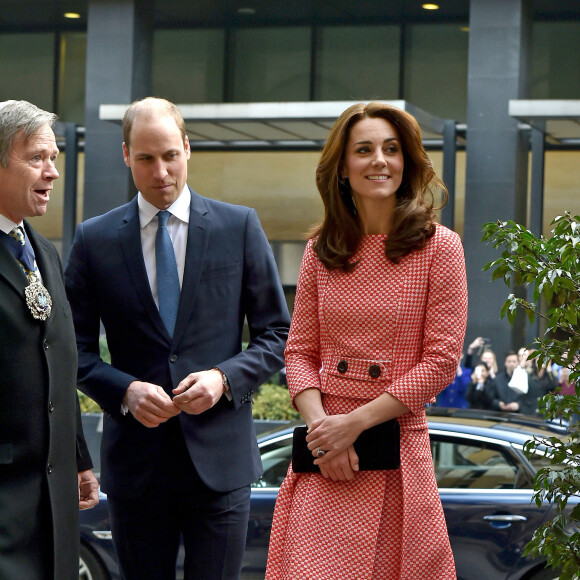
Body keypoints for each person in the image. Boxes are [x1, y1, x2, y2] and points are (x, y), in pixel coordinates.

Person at [64, 97, 290, 580]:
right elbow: (70, 351)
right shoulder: (94, 239)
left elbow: (278, 333)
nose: (161, 171)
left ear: (187, 149)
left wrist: (223, 379)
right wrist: (123, 389)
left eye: (170, 155)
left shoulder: (239, 226)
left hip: (220, 464)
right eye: (146, 158)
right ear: (126, 156)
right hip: (136, 466)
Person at [265, 102, 468, 579]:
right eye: (365, 149)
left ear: (407, 161)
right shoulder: (320, 250)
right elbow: (299, 352)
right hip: (327, 454)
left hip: (394, 448)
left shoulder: (441, 247)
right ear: (342, 167)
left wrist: (351, 425)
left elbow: (440, 361)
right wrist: (324, 434)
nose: (380, 160)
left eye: (391, 149)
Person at [0, 100, 98, 579]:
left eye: (55, 158)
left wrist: (78, 457)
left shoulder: (46, 252)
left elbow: (61, 363)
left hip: (53, 507)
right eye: (37, 158)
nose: (52, 172)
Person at [487, 350, 540, 415]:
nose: (511, 364)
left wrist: (519, 405)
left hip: (519, 415)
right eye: (509, 361)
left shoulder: (525, 377)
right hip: (500, 415)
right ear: (505, 363)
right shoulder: (497, 379)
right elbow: (491, 397)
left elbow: (531, 397)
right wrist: (498, 403)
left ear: (518, 363)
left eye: (514, 361)